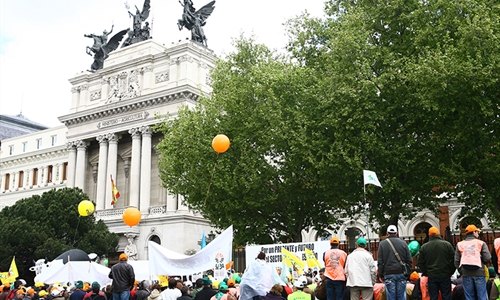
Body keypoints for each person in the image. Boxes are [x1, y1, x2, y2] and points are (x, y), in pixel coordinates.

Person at [417, 226, 456, 300]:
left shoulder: (424, 247)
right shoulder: (447, 245)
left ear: (429, 235)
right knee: (446, 296)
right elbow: (454, 259)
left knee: (433, 297)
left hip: (432, 276)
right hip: (445, 275)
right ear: (439, 234)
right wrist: (451, 271)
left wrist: (426, 272)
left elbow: (420, 262)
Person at [454, 224, 491, 300]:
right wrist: (482, 263)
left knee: (469, 297)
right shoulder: (481, 243)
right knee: (482, 296)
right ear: (473, 232)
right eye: (477, 232)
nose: (478, 233)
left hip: (466, 273)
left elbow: (456, 261)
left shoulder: (460, 244)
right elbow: (487, 258)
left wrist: (461, 271)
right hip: (479, 272)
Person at [377, 225, 412, 300]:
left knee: (390, 297)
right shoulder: (404, 243)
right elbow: (409, 260)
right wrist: (407, 273)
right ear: (396, 233)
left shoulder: (382, 244)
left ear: (387, 233)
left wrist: (380, 274)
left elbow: (380, 261)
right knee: (402, 296)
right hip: (401, 273)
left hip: (389, 273)